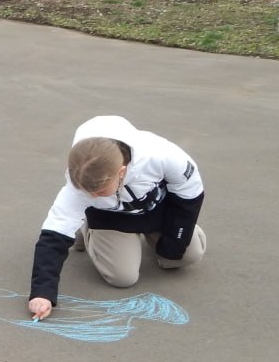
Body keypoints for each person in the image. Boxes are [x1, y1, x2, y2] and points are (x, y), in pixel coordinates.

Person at [28, 116, 206, 320]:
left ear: (121, 171)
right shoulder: (77, 183)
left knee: (185, 254)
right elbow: (55, 232)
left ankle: (160, 241)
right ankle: (88, 229)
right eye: (86, 192)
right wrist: (42, 292)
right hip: (110, 219)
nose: (92, 195)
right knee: (123, 277)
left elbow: (189, 195)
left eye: (99, 190)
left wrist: (174, 243)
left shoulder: (162, 155)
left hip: (157, 210)